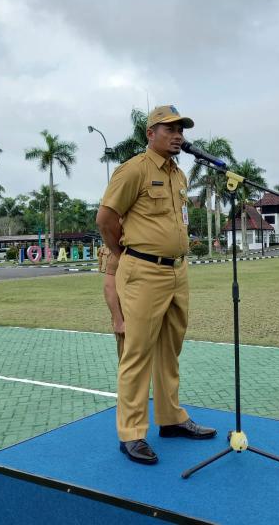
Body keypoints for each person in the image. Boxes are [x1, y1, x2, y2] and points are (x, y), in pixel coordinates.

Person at [96, 104, 216, 466]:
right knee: (137, 351)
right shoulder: (133, 170)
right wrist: (125, 253)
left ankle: (171, 418)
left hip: (178, 272)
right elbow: (105, 218)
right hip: (144, 271)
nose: (178, 134)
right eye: (169, 128)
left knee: (170, 348)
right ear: (150, 134)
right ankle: (131, 433)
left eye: (181, 129)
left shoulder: (179, 175)